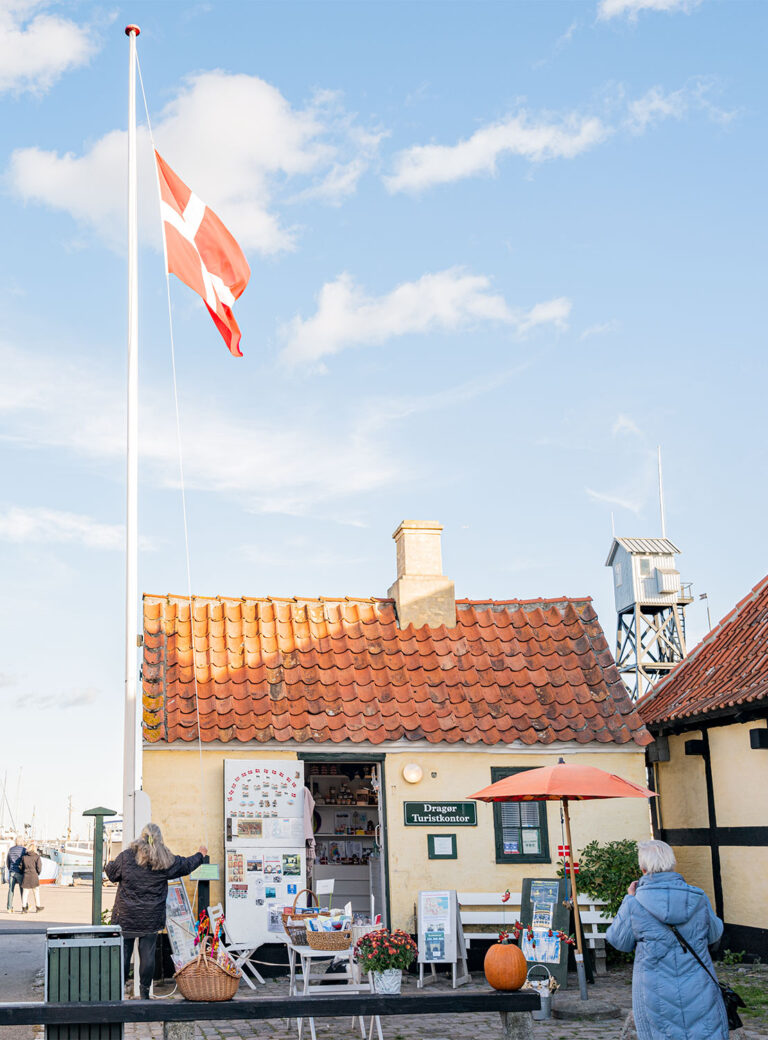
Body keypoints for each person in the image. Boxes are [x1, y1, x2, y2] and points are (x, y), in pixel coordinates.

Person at [606, 839, 727, 1040]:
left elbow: (619, 941)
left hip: (653, 988)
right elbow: (714, 934)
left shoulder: (635, 902)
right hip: (699, 982)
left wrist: (628, 898)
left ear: (643, 868)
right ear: (672, 864)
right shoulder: (698, 897)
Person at [105, 823, 206, 999]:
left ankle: (117, 993)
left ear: (141, 837)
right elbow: (186, 865)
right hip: (151, 918)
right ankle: (144, 993)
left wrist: (110, 863)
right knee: (148, 955)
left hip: (126, 917)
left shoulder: (127, 857)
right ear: (159, 838)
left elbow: (112, 874)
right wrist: (200, 855)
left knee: (123, 954)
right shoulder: (164, 859)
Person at [20, 841, 43, 913]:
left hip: (26, 876)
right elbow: (39, 868)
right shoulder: (37, 857)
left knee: (25, 893)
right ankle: (38, 907)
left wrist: (23, 872)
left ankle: (24, 909)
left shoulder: (24, 857)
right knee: (36, 892)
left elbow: (21, 867)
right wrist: (37, 873)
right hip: (34, 876)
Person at [6, 837, 26, 913]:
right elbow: (25, 861)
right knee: (22, 890)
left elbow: (8, 861)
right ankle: (25, 906)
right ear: (21, 841)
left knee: (11, 890)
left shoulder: (11, 849)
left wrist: (10, 869)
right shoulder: (23, 850)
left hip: (12, 872)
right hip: (20, 872)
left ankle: (9, 907)